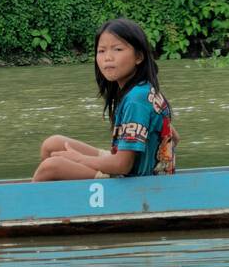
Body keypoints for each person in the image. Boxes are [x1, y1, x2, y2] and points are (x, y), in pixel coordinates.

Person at [33, 17, 178, 182]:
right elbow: (174, 136)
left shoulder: (136, 99)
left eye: (117, 49)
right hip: (135, 170)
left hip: (137, 182)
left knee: (50, 168)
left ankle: (27, 206)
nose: (108, 57)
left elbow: (123, 165)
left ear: (138, 57)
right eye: (101, 51)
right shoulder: (143, 89)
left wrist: (79, 159)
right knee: (52, 144)